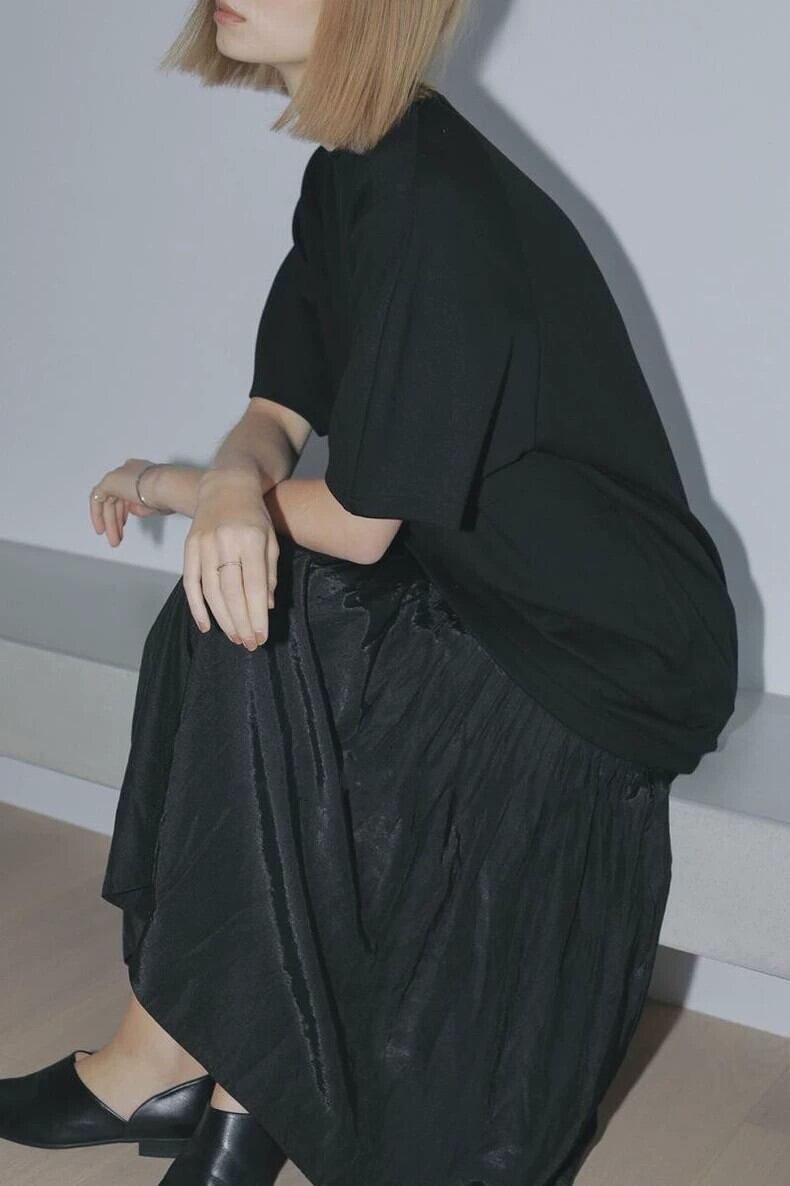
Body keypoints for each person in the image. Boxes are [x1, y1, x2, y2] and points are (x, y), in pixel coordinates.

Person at [0, 2, 738, 1185]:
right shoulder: (355, 168)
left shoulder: (437, 197)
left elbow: (358, 518)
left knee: (255, 606)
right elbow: (276, 409)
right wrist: (229, 484)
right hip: (485, 593)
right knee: (230, 608)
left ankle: (219, 1077)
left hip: (603, 645)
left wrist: (179, 488)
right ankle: (174, 1056)